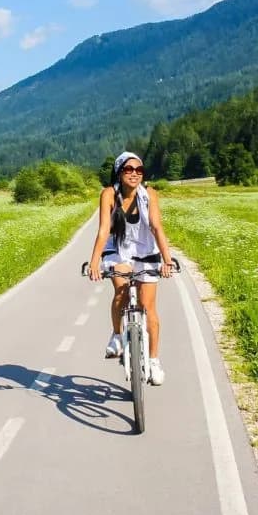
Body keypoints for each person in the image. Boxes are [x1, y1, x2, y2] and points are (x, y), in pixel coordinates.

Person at [87, 151, 174, 385]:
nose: (134, 173)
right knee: (122, 291)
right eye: (128, 169)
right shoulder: (108, 195)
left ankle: (154, 361)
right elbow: (104, 229)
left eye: (139, 170)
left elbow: (156, 227)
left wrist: (167, 260)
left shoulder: (149, 195)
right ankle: (117, 335)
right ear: (119, 172)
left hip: (146, 249)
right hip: (117, 249)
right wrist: (94, 262)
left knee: (148, 306)